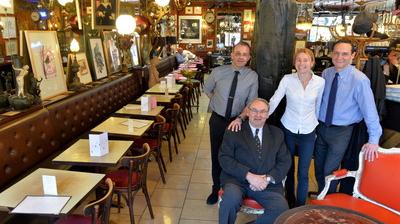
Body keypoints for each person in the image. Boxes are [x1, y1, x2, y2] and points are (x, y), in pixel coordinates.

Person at [314, 40, 382, 194]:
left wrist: (374, 140)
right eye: (336, 53)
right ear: (332, 54)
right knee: (318, 168)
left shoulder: (360, 80)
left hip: (341, 132)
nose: (339, 57)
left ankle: (326, 206)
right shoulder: (327, 73)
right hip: (322, 127)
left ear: (353, 55)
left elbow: (370, 112)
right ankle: (321, 196)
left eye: (345, 54)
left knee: (329, 171)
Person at [267, 48, 324, 207]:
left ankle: (300, 206)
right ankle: (289, 203)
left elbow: (318, 106)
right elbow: (275, 99)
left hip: (308, 130)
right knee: (288, 168)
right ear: (295, 62)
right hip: (289, 128)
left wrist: (317, 125)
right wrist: (262, 115)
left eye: (306, 60)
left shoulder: (320, 82)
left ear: (312, 62)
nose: (302, 63)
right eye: (299, 60)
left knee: (303, 172)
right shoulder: (287, 79)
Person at [219, 98, 291, 224]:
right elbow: (224, 158)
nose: (258, 115)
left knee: (281, 208)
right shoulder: (234, 130)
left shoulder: (277, 134)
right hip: (237, 181)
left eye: (263, 111)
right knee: (230, 200)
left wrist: (267, 178)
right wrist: (248, 175)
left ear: (268, 114)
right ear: (248, 112)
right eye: (254, 111)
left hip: (266, 185)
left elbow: (284, 162)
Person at [204, 42, 258, 205]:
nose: (241, 57)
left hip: (238, 122)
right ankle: (215, 189)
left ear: (249, 58)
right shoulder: (218, 71)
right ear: (232, 55)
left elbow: (251, 102)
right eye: (238, 53)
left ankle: (231, 191)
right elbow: (207, 89)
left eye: (245, 54)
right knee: (217, 155)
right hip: (218, 120)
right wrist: (217, 101)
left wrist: (240, 118)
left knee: (235, 157)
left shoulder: (252, 76)